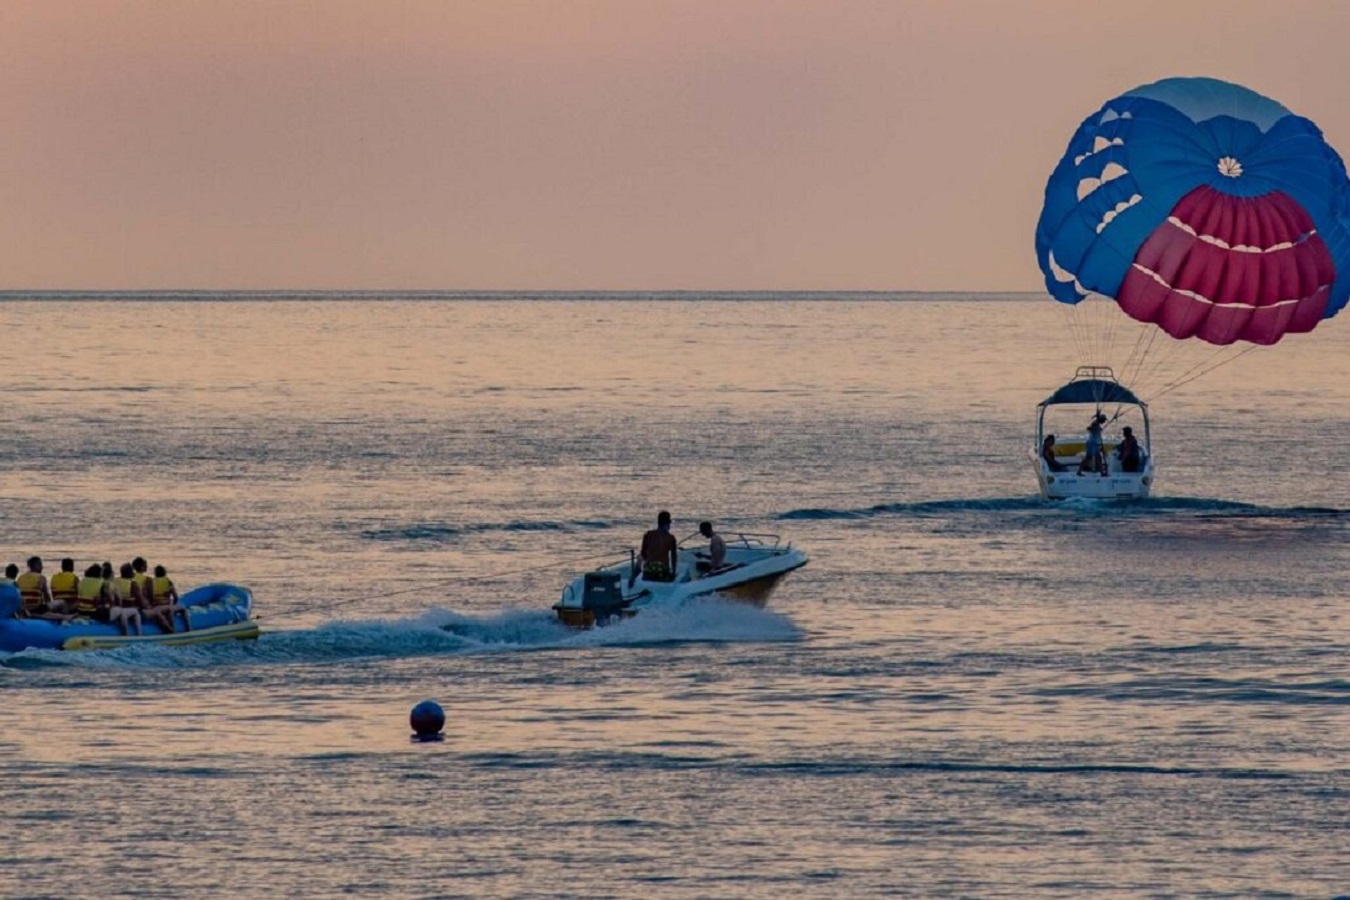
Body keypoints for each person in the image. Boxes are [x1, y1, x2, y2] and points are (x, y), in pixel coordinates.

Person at [638, 510, 678, 582]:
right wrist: (673, 573)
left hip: (648, 572)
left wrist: (634, 575)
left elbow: (642, 555)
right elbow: (673, 558)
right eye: (669, 522)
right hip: (662, 573)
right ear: (667, 523)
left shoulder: (648, 535)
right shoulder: (671, 538)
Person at [151, 564, 191, 632]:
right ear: (165, 573)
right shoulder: (168, 582)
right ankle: (189, 629)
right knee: (183, 609)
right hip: (167, 606)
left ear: (155, 574)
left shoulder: (151, 582)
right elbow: (175, 598)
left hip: (157, 606)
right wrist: (173, 604)